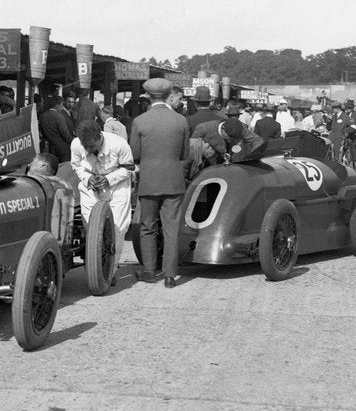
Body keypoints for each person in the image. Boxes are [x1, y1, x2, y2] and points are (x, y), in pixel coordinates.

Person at [129, 77, 190, 288]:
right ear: (168, 95)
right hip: (174, 181)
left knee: (147, 226)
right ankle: (170, 276)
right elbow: (185, 154)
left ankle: (149, 270)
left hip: (149, 181)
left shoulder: (140, 121)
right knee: (171, 228)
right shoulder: (181, 121)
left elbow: (134, 154)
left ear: (148, 96)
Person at [71, 120, 134, 254]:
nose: (88, 149)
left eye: (92, 146)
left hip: (117, 185)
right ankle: (96, 263)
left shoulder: (119, 144)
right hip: (90, 185)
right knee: (91, 227)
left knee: (118, 227)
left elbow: (129, 169)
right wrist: (88, 179)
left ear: (100, 136)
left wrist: (108, 179)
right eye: (85, 146)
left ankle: (111, 269)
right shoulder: (76, 144)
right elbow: (76, 166)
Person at [192, 117, 266, 164]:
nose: (232, 140)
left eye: (236, 138)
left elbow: (257, 140)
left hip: (234, 164)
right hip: (211, 165)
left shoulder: (240, 128)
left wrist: (253, 157)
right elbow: (193, 150)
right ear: (223, 129)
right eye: (230, 137)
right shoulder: (203, 128)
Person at [39, 95, 75, 163]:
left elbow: (42, 133)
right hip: (62, 149)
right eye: (61, 105)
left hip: (50, 148)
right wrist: (75, 141)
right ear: (56, 105)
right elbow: (66, 135)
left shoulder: (42, 116)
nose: (61, 108)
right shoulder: (59, 117)